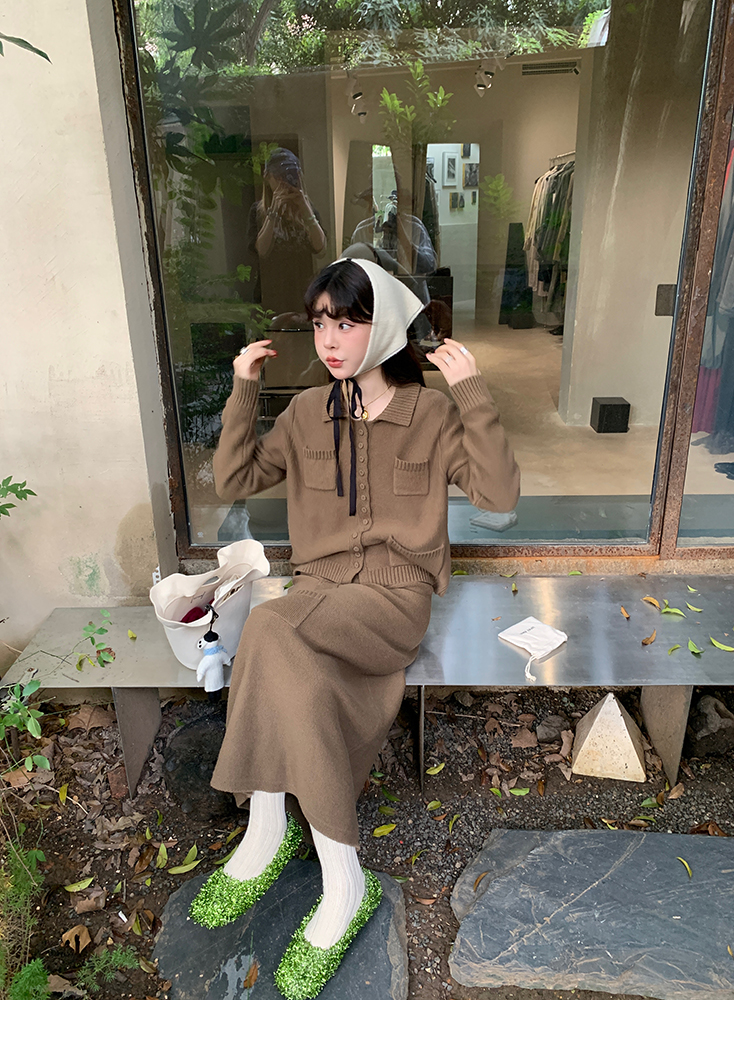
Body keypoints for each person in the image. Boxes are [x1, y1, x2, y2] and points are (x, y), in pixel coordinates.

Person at [188, 256, 520, 999]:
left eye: (348, 322)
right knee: (292, 665)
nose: (330, 340)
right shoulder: (308, 411)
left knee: (268, 630)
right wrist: (244, 388)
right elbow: (234, 480)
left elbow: (498, 498)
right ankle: (339, 876)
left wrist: (472, 394)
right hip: (318, 599)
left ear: (387, 326)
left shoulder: (429, 415)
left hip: (392, 602)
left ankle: (271, 834)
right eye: (320, 323)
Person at [246, 148, 326, 316]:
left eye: (289, 175)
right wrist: (273, 212)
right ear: (267, 177)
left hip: (302, 294)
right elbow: (261, 251)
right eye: (279, 176)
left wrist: (305, 209)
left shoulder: (308, 211)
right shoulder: (258, 211)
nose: (284, 181)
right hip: (270, 295)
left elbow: (320, 249)